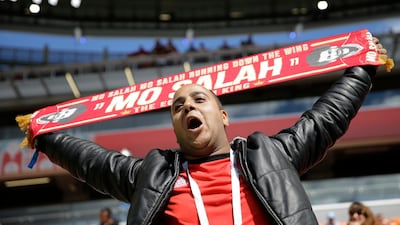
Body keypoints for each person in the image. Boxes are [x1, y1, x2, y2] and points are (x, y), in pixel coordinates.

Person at [33, 38, 387, 225]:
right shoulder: (153, 175)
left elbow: (324, 119)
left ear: (222, 115)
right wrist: (45, 135)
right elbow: (93, 162)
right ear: (174, 126)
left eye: (199, 100)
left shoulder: (270, 155)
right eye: (177, 106)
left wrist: (362, 71)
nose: (187, 107)